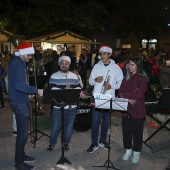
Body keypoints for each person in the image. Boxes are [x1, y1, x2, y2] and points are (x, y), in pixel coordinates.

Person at [8, 42, 43, 170]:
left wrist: (27, 94)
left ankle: (21, 156)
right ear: (23, 53)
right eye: (30, 54)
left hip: (21, 99)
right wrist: (35, 90)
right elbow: (19, 85)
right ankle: (19, 164)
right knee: (22, 134)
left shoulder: (19, 62)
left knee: (24, 133)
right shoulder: (17, 63)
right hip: (19, 102)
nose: (31, 57)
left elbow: (18, 84)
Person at [87, 45, 123, 153]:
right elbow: (90, 82)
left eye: (104, 54)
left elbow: (121, 83)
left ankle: (102, 140)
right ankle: (94, 143)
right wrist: (95, 80)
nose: (102, 56)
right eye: (101, 54)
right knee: (95, 121)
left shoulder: (116, 67)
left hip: (108, 96)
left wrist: (111, 86)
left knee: (106, 121)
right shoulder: (96, 66)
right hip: (96, 96)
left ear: (109, 55)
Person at [47, 56, 81, 151]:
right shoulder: (54, 76)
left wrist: (71, 90)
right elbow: (52, 89)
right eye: (62, 63)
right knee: (56, 126)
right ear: (59, 64)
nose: (64, 65)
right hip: (58, 106)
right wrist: (64, 91)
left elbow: (78, 89)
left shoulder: (74, 76)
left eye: (66, 63)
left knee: (69, 126)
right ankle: (52, 143)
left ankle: (65, 143)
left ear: (69, 65)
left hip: (71, 106)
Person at [118, 57, 148, 164]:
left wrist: (125, 95)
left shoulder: (143, 78)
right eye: (129, 65)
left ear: (138, 66)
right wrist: (127, 97)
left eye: (132, 65)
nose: (129, 67)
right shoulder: (126, 77)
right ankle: (128, 150)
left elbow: (139, 95)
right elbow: (120, 92)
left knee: (137, 133)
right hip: (126, 109)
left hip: (138, 110)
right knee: (126, 132)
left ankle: (136, 152)